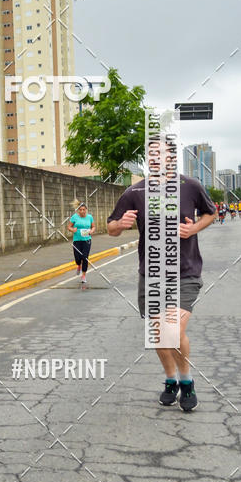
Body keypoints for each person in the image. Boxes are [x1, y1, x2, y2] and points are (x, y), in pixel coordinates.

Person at [107, 145, 216, 412]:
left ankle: (187, 381)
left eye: (163, 153)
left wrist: (193, 228)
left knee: (173, 331)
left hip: (186, 272)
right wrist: (120, 226)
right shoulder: (135, 191)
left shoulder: (190, 185)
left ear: (172, 157)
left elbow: (210, 212)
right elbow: (111, 226)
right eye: (152, 154)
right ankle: (170, 380)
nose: (158, 159)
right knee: (159, 335)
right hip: (152, 275)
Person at [68, 203, 95, 286]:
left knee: (85, 257)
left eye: (84, 209)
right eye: (80, 210)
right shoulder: (74, 217)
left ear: (86, 210)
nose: (82, 211)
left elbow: (93, 227)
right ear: (78, 210)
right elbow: (69, 227)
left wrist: (91, 231)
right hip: (77, 240)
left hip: (87, 240)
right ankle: (78, 265)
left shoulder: (90, 217)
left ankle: (83, 275)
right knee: (78, 258)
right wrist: (73, 230)